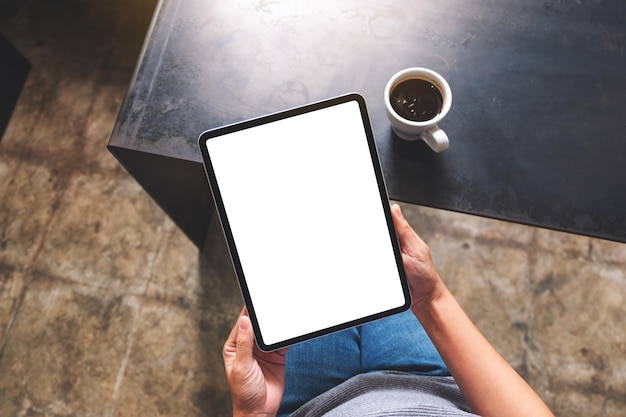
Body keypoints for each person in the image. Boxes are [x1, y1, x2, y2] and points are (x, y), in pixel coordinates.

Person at [223, 204, 555, 417]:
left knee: (299, 240)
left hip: (306, 404)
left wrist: (251, 413)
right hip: (430, 386)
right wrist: (431, 298)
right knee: (361, 234)